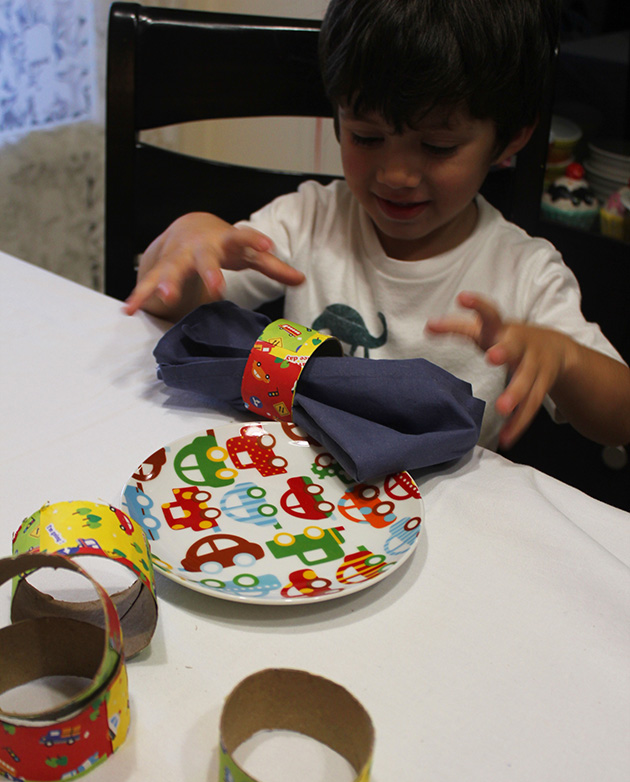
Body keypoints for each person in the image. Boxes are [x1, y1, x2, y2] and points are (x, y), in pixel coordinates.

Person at [124, 0, 630, 451]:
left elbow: (621, 420)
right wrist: (184, 242)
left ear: (511, 138)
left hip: (442, 503)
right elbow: (171, 304)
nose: (396, 175)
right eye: (367, 137)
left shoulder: (525, 271)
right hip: (301, 482)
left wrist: (564, 358)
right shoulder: (309, 219)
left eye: (437, 146)